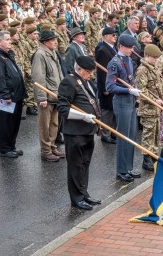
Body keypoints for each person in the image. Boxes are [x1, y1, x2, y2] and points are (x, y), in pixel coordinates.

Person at [57, 56, 102, 211]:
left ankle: (84, 193)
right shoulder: (68, 82)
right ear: (79, 69)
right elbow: (63, 109)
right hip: (75, 132)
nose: (90, 75)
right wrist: (83, 116)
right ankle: (76, 198)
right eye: (88, 72)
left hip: (88, 130)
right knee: (76, 166)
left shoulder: (87, 81)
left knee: (85, 164)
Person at [106, 35, 141, 182]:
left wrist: (135, 90)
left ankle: (128, 167)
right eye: (129, 48)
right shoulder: (114, 63)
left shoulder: (128, 60)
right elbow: (110, 86)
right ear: (120, 46)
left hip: (131, 101)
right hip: (121, 102)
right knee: (123, 137)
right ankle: (121, 170)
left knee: (132, 136)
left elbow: (130, 79)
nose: (131, 50)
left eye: (133, 48)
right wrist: (128, 91)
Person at [0, 30, 26, 158]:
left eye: (10, 39)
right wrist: (5, 95)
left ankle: (12, 146)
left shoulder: (8, 54)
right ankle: (5, 149)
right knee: (6, 123)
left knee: (15, 123)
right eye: (7, 39)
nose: (10, 41)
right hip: (7, 97)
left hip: (16, 95)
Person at [32, 30, 65, 162]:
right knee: (44, 125)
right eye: (52, 40)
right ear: (45, 42)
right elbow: (38, 76)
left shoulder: (53, 53)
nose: (56, 42)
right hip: (47, 95)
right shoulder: (40, 55)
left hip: (56, 94)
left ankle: (52, 147)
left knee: (54, 124)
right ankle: (45, 151)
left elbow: (59, 74)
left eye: (56, 39)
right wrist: (42, 97)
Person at [136, 44, 163, 171]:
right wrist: (155, 100)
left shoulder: (154, 68)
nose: (156, 60)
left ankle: (154, 155)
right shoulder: (142, 70)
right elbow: (142, 91)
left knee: (156, 131)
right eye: (154, 58)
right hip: (147, 107)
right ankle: (146, 158)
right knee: (148, 133)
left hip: (156, 107)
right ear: (147, 56)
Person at [95, 27, 118, 144]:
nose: (115, 36)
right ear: (105, 37)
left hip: (113, 83)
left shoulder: (113, 48)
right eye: (112, 35)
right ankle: (105, 134)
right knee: (107, 111)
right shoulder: (102, 50)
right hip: (107, 85)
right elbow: (102, 71)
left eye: (115, 35)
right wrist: (105, 87)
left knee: (113, 109)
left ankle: (113, 132)